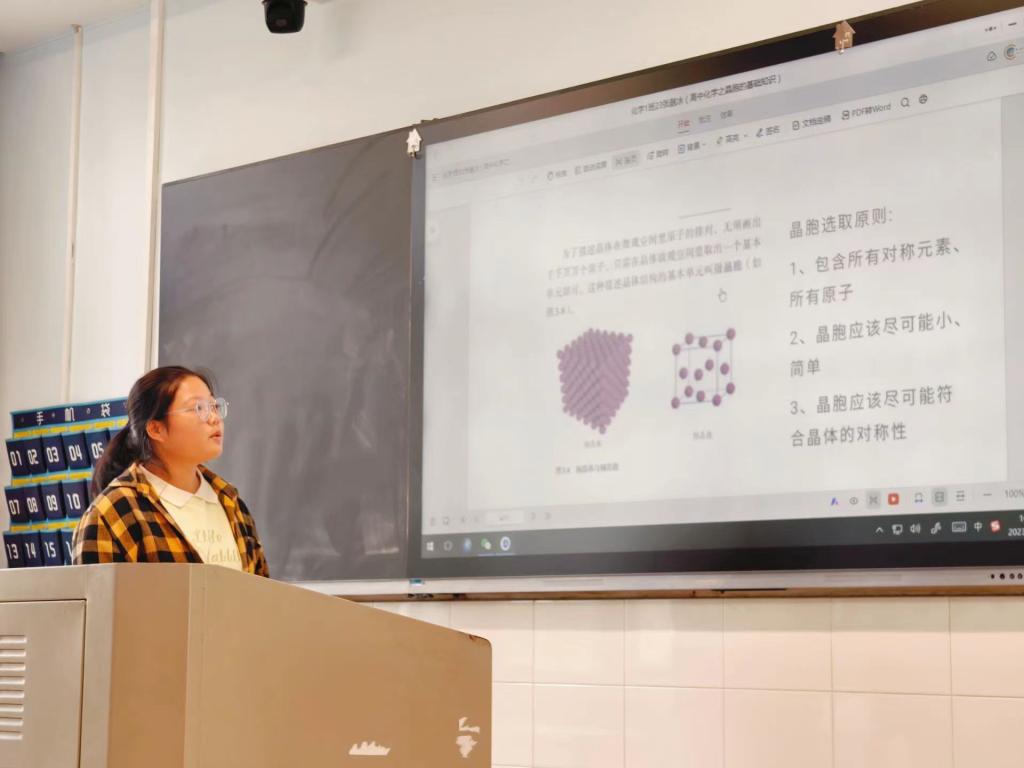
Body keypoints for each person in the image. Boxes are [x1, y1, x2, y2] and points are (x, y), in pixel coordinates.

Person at [72, 365, 269, 576]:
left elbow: (261, 591)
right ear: (156, 429)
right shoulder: (111, 514)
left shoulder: (231, 503)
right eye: (199, 408)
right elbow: (98, 596)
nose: (214, 418)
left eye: (214, 406)